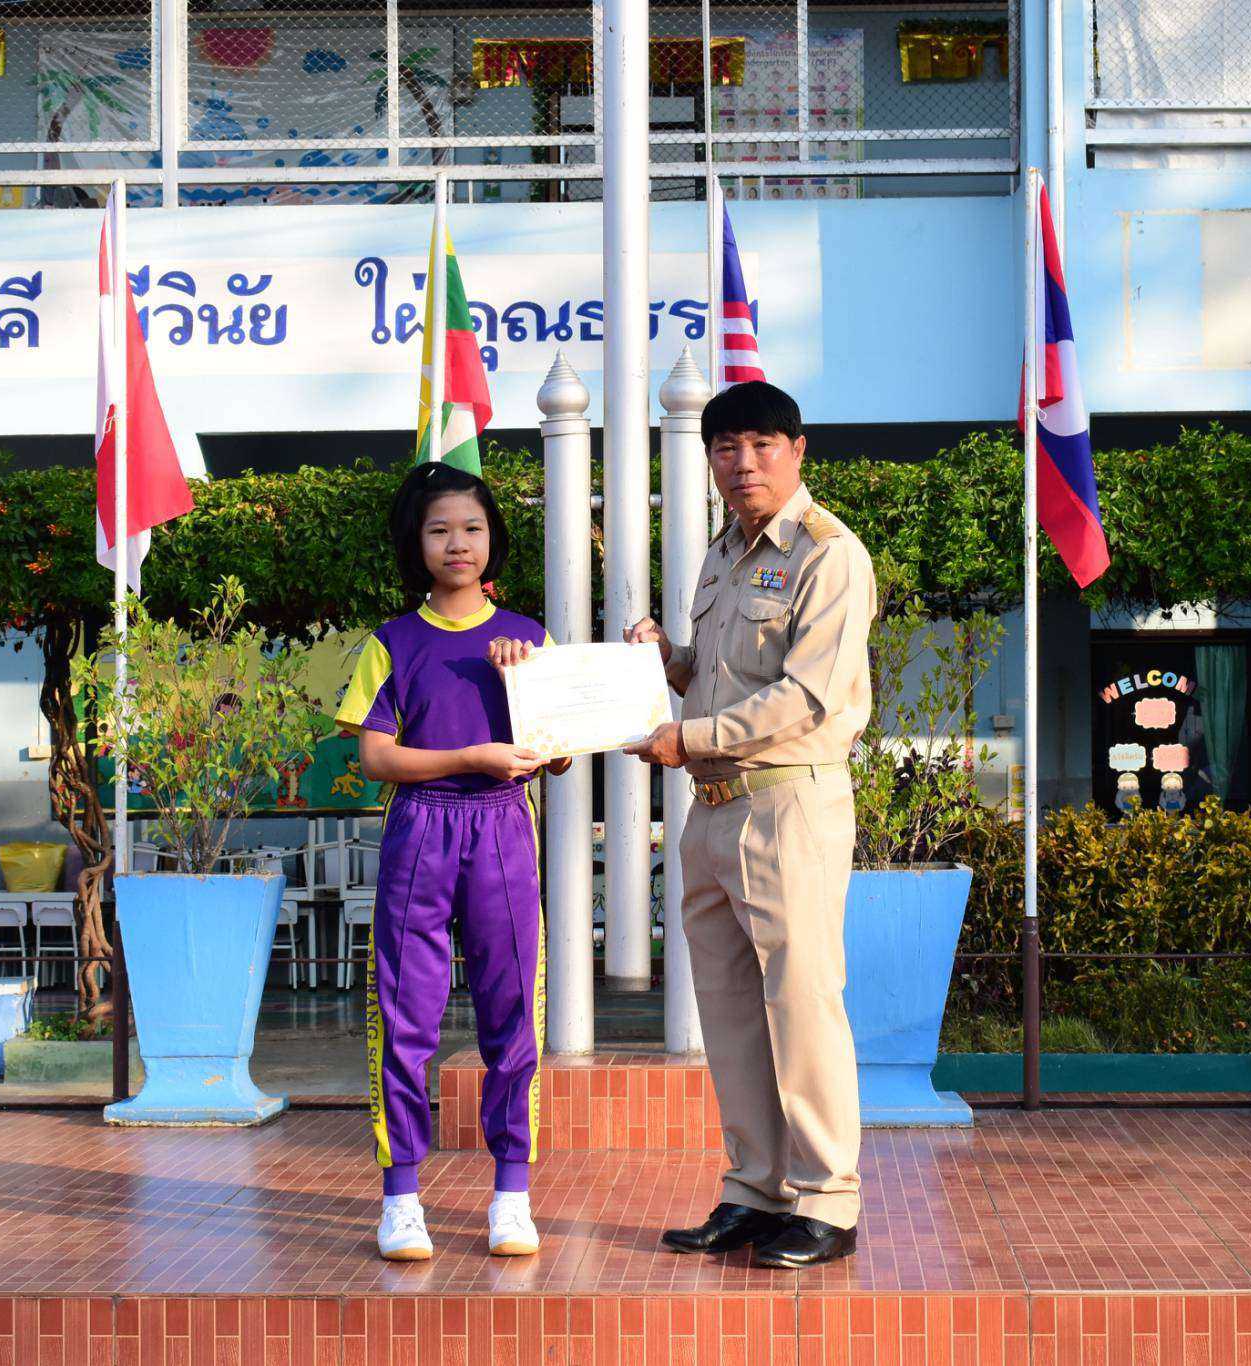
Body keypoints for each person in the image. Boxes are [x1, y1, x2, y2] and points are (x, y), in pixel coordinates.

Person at [625, 381, 877, 1270]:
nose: (743, 464)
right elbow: (718, 677)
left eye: (762, 445)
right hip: (712, 811)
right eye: (725, 448)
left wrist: (684, 738)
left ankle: (827, 1200)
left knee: (802, 1005)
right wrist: (667, 661)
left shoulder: (829, 554)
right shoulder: (722, 554)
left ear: (797, 451)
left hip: (787, 804)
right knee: (729, 1013)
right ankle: (755, 1189)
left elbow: (806, 696)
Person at [335, 461, 570, 1263]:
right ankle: (401, 1199)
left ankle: (512, 1195)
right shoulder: (392, 643)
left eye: (472, 528)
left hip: (504, 828)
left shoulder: (530, 640)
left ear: (492, 538)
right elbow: (376, 758)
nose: (457, 544)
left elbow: (558, 753)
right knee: (406, 1014)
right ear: (418, 544)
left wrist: (522, 687)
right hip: (420, 832)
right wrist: (468, 755)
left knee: (513, 1011)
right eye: (439, 530)